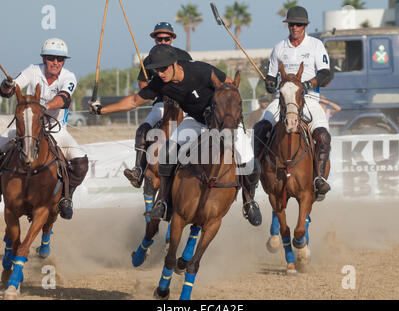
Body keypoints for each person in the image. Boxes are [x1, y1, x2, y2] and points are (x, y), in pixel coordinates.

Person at [89, 44, 263, 226]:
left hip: (225, 123)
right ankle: (163, 200)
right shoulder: (160, 83)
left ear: (174, 64)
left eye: (163, 68)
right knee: (169, 150)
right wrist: (102, 110)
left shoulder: (200, 70)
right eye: (156, 70)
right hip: (195, 121)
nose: (160, 73)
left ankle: (249, 201)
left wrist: (230, 115)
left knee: (250, 161)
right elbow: (134, 101)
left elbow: (230, 86)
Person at [0, 37, 88, 220]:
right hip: (27, 130)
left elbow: (64, 98)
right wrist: (6, 87)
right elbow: (11, 90)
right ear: (43, 58)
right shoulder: (32, 71)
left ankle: (66, 197)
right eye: (51, 58)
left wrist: (43, 107)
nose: (55, 63)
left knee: (81, 163)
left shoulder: (69, 77)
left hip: (56, 130)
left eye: (60, 59)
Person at [254, 6, 334, 200]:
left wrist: (307, 84)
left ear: (305, 26)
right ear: (288, 25)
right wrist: (271, 83)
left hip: (309, 99)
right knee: (260, 129)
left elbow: (325, 74)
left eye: (298, 24)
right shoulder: (279, 48)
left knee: (323, 137)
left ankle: (319, 178)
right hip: (281, 100)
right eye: (292, 24)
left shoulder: (316, 46)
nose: (295, 27)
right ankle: (255, 173)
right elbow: (271, 78)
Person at [123, 22, 192, 188]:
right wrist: (151, 90)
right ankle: (138, 169)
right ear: (155, 40)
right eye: (159, 39)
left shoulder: (184, 56)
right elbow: (141, 83)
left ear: (172, 39)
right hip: (161, 104)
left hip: (184, 104)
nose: (163, 42)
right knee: (143, 129)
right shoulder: (149, 59)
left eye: (166, 39)